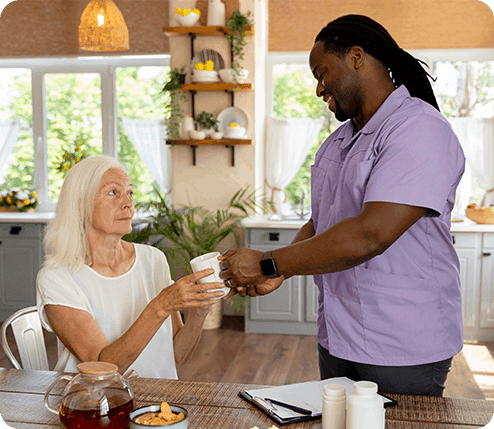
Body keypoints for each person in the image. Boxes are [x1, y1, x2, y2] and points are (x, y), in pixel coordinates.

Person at [219, 14, 465, 396]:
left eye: (322, 72)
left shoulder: (418, 129)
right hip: (338, 336)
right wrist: (279, 272)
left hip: (401, 343)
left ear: (355, 57)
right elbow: (325, 221)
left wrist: (269, 261)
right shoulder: (340, 141)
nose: (319, 88)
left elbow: (370, 235)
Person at [36, 155, 226, 378]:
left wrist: (200, 310)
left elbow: (177, 355)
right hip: (93, 405)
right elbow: (103, 367)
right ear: (79, 205)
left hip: (156, 406)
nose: (128, 203)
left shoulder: (152, 259)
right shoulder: (57, 277)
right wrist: (161, 305)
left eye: (129, 192)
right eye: (112, 192)